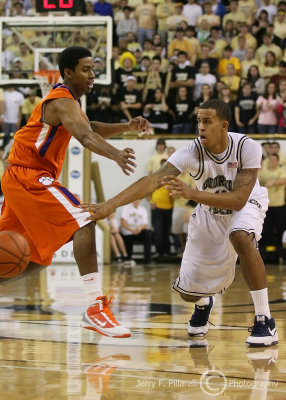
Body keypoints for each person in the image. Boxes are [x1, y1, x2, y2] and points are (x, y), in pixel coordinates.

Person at [82, 99, 278, 347]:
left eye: (207, 121)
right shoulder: (191, 151)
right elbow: (153, 180)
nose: (201, 127)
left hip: (247, 204)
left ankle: (265, 320)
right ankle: (203, 302)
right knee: (187, 293)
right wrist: (109, 205)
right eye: (198, 121)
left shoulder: (246, 147)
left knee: (240, 235)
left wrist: (191, 194)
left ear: (223, 125)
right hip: (208, 211)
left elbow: (239, 200)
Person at [0, 46, 150, 338]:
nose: (93, 74)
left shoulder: (69, 104)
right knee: (85, 218)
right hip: (28, 176)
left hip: (20, 178)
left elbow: (88, 126)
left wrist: (126, 126)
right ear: (68, 72)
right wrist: (116, 155)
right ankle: (95, 307)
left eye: (93, 68)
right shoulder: (60, 100)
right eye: (86, 69)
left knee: (30, 257)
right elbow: (84, 135)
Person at [120, 200, 152, 264]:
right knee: (128, 235)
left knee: (148, 233)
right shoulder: (126, 208)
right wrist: (132, 230)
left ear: (140, 200)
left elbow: (145, 225)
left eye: (138, 199)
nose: (136, 201)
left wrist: (139, 229)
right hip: (129, 231)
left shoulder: (143, 210)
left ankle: (147, 257)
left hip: (139, 231)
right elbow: (123, 223)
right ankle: (128, 256)